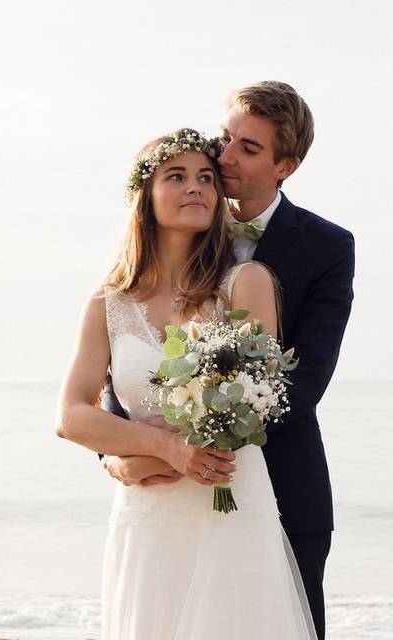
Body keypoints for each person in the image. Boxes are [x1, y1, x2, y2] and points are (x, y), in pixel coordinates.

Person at [103, 82, 355, 640]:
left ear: (286, 165)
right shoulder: (181, 230)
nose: (224, 157)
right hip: (165, 487)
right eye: (226, 139)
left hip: (281, 483)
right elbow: (127, 350)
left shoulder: (327, 247)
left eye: (249, 148)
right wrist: (120, 451)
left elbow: (305, 378)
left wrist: (208, 440)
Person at [56, 128, 318, 640]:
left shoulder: (245, 284)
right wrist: (155, 452)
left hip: (228, 499)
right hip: (148, 511)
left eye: (205, 177)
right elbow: (71, 416)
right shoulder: (108, 301)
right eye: (176, 176)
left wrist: (153, 455)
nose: (195, 186)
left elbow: (259, 404)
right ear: (146, 197)